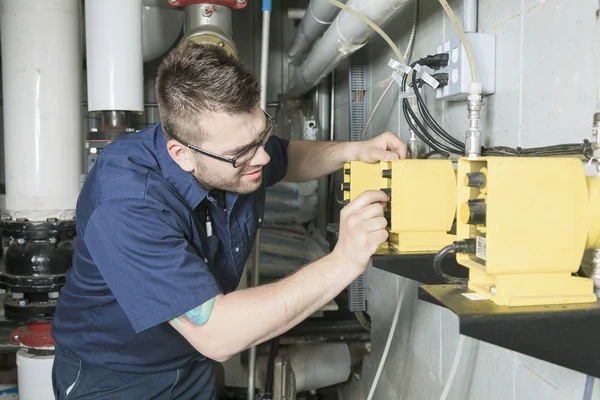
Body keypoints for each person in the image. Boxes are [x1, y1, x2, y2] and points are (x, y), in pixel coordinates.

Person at [50, 41, 407, 399]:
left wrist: (354, 152)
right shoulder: (126, 205)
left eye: (261, 135)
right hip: (116, 379)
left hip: (192, 365)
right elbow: (216, 334)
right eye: (241, 154)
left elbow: (286, 156)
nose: (262, 159)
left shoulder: (228, 154)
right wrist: (343, 261)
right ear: (182, 155)